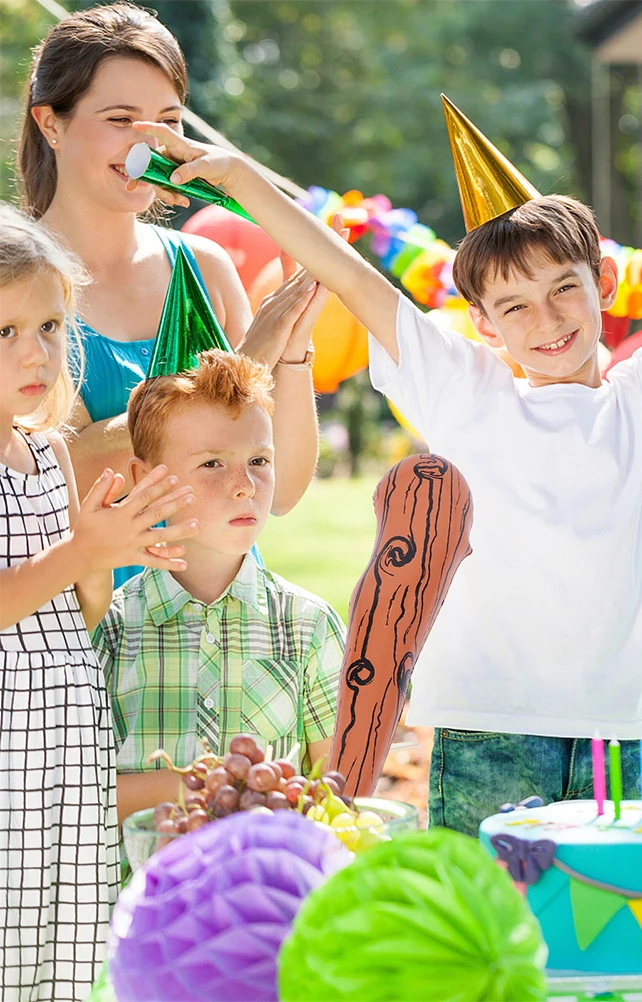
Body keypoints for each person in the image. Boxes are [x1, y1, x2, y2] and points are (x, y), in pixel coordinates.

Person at [134, 95, 642, 835]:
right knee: (494, 956)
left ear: (601, 284)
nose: (547, 320)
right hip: (486, 735)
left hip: (617, 741)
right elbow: (347, 271)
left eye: (563, 289)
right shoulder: (463, 388)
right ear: (483, 324)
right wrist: (238, 177)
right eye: (515, 307)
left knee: (611, 944)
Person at [18, 1, 326, 584]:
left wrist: (292, 350)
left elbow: (279, 491)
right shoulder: (19, 288)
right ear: (50, 122)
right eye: (119, 119)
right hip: (105, 642)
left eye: (169, 118)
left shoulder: (205, 268)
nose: (149, 143)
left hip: (230, 634)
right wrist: (247, 363)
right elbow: (59, 477)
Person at [0, 204, 197, 1000]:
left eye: (50, 325)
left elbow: (61, 619)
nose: (35, 352)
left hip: (67, 742)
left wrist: (105, 558)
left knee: (67, 947)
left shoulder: (48, 454)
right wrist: (82, 552)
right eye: (3, 332)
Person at [91, 350, 345, 823]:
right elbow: (79, 792)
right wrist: (196, 788)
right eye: (212, 464)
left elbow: (336, 792)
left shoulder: (309, 626)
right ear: (147, 482)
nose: (245, 485)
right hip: (139, 891)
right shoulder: (109, 629)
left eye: (258, 460)